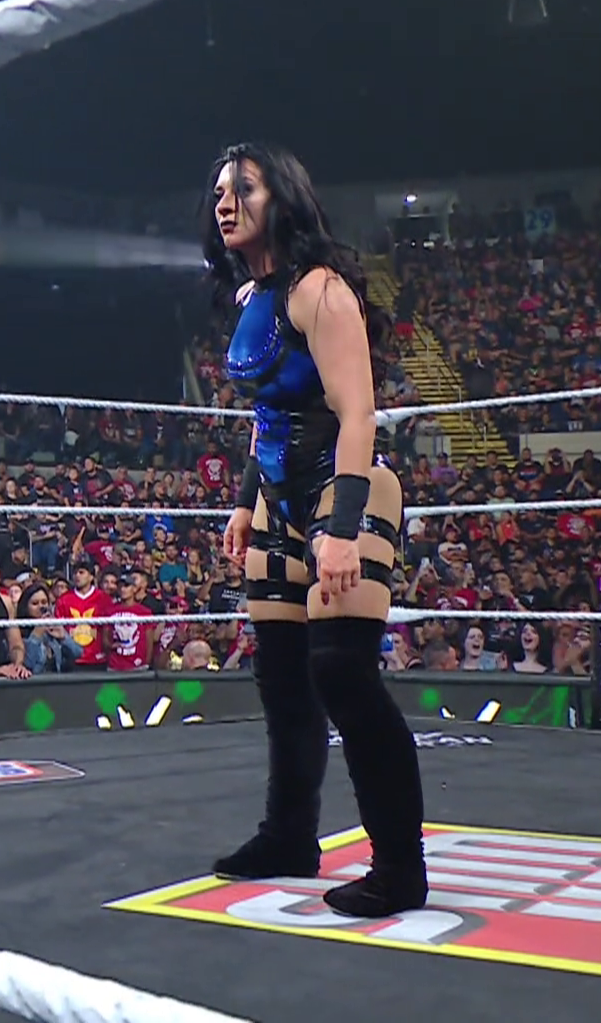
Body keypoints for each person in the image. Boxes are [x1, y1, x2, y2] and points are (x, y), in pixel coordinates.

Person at [208, 142, 426, 918]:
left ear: (285, 198)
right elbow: (268, 412)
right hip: (278, 494)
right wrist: (245, 500)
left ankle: (399, 865)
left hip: (345, 484)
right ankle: (288, 836)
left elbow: (357, 412)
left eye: (244, 188)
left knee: (341, 673)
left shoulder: (320, 290)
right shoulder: (254, 297)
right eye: (219, 191)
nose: (225, 202)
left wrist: (339, 525)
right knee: (281, 674)